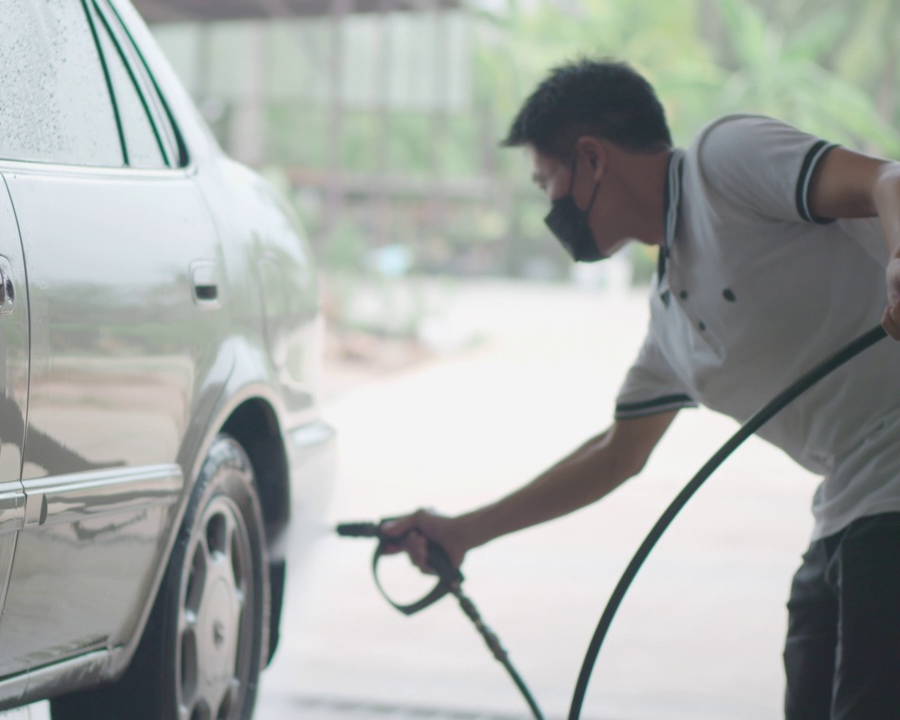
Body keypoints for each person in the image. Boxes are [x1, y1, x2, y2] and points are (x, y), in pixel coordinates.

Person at [382, 58, 900, 720]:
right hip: (848, 504)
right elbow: (615, 455)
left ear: (592, 159)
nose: (551, 209)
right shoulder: (670, 324)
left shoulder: (723, 162)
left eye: (548, 183)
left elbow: (888, 181)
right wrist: (463, 532)